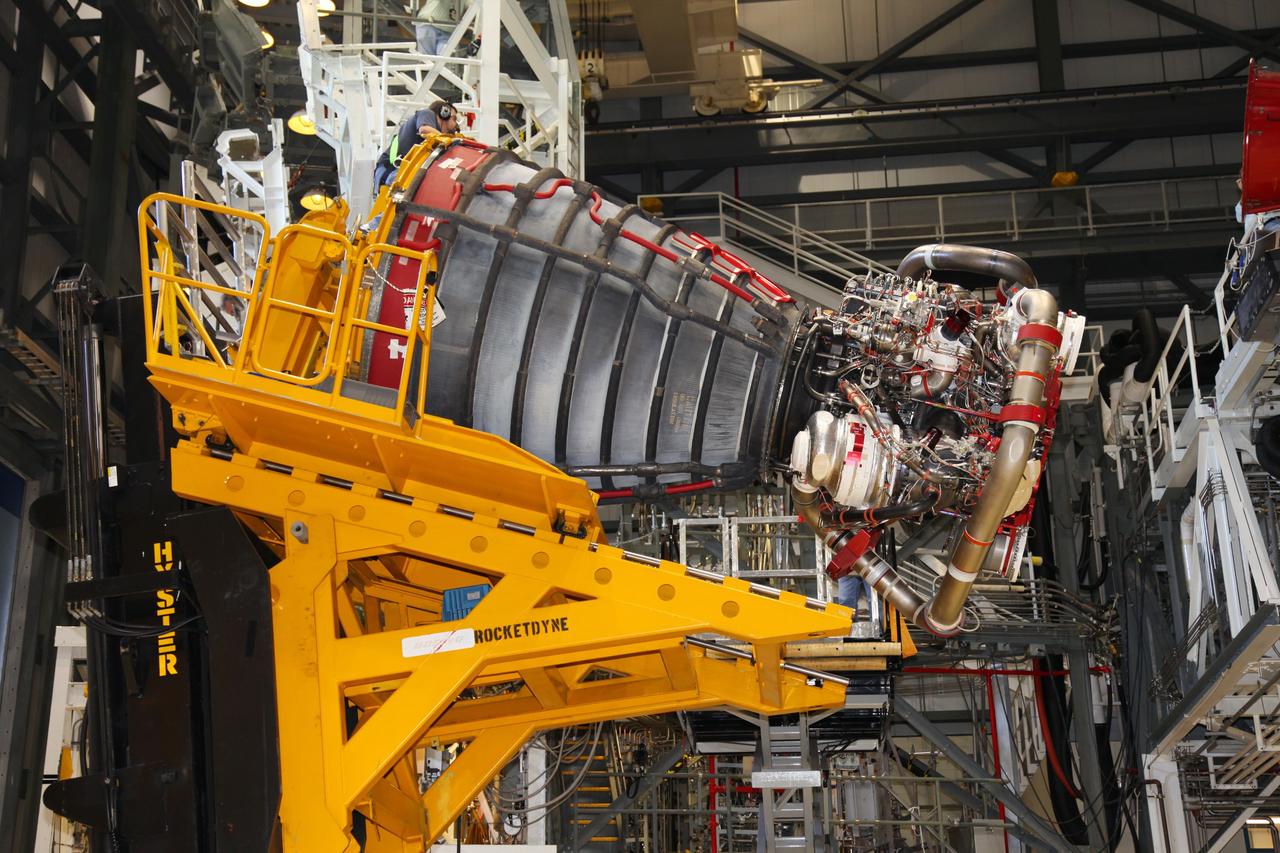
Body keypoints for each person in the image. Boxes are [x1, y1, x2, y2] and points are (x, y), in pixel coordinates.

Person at [372, 100, 459, 189]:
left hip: (398, 171)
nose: (456, 124)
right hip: (390, 171)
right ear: (444, 113)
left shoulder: (437, 138)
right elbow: (424, 130)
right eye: (454, 119)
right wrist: (449, 140)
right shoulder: (427, 114)